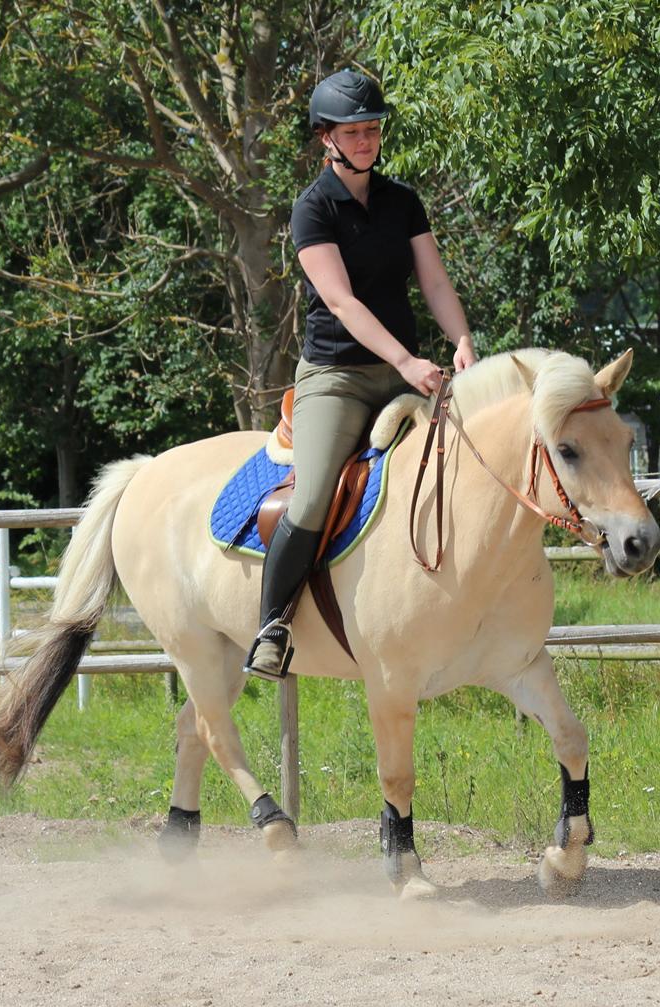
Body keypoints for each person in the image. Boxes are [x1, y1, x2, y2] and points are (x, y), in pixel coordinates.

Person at [244, 69, 477, 680]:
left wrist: (462, 340)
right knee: (316, 491)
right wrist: (405, 361)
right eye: (354, 131)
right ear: (327, 138)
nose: (367, 139)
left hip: (409, 370)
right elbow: (343, 303)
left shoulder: (403, 201)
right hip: (338, 376)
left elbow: (432, 281)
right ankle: (272, 627)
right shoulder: (311, 208)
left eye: (373, 128)